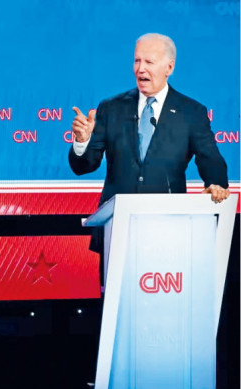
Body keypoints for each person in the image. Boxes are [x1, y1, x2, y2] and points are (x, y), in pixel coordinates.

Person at [69, 33, 230, 254]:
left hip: (168, 230)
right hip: (116, 231)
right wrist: (82, 141)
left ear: (169, 67)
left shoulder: (191, 112)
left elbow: (211, 159)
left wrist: (216, 184)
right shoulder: (111, 107)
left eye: (149, 62)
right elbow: (83, 166)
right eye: (137, 60)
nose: (140, 68)